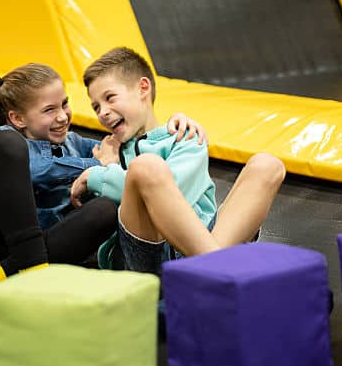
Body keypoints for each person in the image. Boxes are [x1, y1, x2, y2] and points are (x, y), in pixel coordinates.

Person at [0, 63, 205, 321]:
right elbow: (39, 169)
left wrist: (170, 126)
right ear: (18, 119)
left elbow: (124, 152)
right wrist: (92, 167)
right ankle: (25, 271)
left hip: (12, 265)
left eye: (65, 104)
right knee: (17, 150)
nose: (62, 116)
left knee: (107, 208)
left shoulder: (71, 142)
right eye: (49, 110)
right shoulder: (2, 140)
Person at [70, 47, 286, 275]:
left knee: (267, 165)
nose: (102, 112)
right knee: (145, 167)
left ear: (143, 88)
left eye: (110, 98)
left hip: (203, 239)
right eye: (96, 107)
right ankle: (216, 267)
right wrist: (105, 167)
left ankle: (208, 268)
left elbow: (175, 193)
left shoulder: (184, 137)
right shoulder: (106, 151)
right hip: (145, 252)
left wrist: (99, 175)